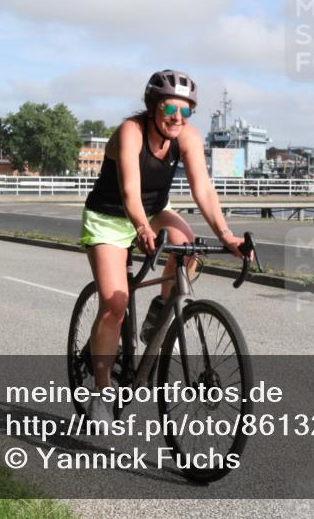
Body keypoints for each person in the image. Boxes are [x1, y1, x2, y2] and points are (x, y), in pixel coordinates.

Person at [79, 70, 245, 420]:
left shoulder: (187, 137)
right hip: (111, 218)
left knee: (188, 246)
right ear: (152, 106)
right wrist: (139, 226)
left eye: (185, 112)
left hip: (154, 211)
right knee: (115, 303)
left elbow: (203, 190)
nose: (177, 118)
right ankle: (102, 390)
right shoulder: (131, 132)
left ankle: (160, 310)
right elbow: (128, 192)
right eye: (170, 108)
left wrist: (226, 235)